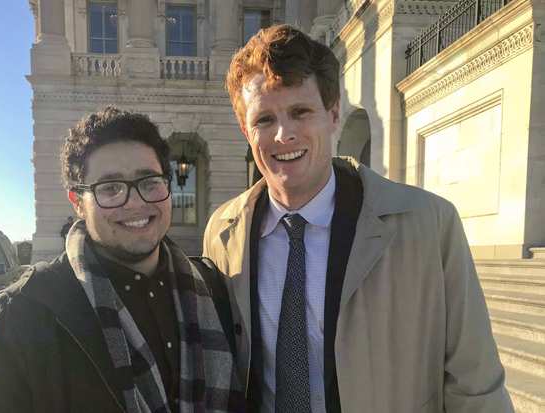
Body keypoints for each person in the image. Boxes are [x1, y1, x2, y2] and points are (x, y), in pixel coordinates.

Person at [203, 25, 514, 413]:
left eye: (301, 112)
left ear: (333, 115)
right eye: (265, 119)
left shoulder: (430, 225)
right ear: (245, 129)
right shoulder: (222, 233)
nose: (284, 134)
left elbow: (477, 386)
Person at [0, 107, 245, 413]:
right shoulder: (23, 313)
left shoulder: (212, 289)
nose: (137, 203)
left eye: (149, 181)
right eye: (110, 188)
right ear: (79, 203)